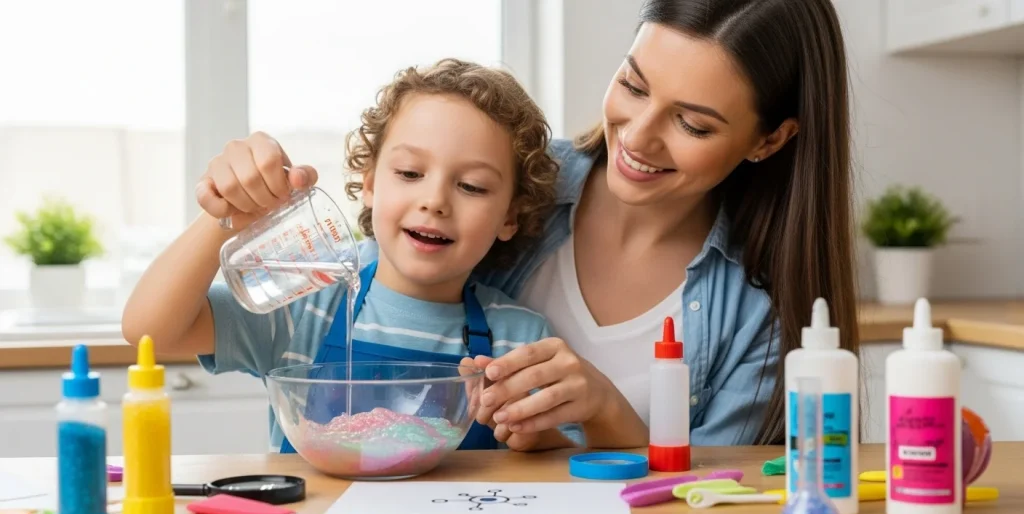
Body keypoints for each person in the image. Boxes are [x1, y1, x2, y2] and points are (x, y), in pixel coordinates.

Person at [164, 0, 859, 450]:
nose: (638, 135)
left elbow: (712, 509)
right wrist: (228, 210)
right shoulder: (503, 175)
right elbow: (162, 326)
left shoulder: (759, 317)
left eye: (693, 124)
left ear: (769, 139)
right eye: (633, 85)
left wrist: (606, 413)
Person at [121, 58, 572, 452]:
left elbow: (563, 459)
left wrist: (527, 433)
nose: (435, 201)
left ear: (510, 216)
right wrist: (225, 216)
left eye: (471, 186)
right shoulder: (307, 300)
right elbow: (150, 333)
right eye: (409, 172)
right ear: (370, 184)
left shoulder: (519, 341)